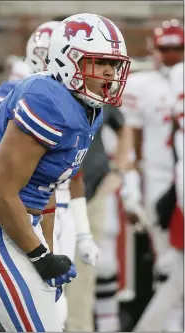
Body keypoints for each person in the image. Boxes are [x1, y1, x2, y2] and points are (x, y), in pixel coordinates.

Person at [0, 13, 130, 332]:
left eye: (114, 64)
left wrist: (46, 248)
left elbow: (49, 187)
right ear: (68, 60)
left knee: (53, 323)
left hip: (25, 225)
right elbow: (2, 194)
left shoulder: (87, 109)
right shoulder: (46, 98)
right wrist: (40, 256)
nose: (109, 72)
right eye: (100, 61)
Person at [0, 20, 101, 329]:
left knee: (52, 295)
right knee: (29, 297)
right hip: (21, 205)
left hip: (56, 207)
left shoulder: (81, 104)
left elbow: (74, 172)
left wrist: (83, 232)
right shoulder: (30, 94)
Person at [120, 19, 184, 332]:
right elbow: (130, 142)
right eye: (166, 49)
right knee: (169, 265)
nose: (172, 55)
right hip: (159, 178)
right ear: (154, 50)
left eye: (178, 49)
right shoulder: (141, 85)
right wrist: (131, 189)